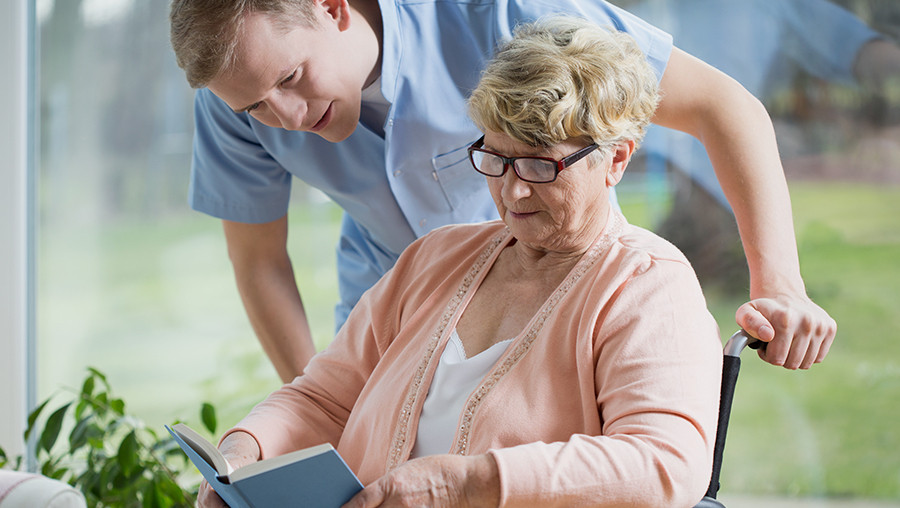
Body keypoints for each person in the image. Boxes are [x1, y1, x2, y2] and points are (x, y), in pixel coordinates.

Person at [197, 17, 722, 508]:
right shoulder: (435, 257)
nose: (513, 190)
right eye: (495, 158)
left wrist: (464, 485)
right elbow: (323, 400)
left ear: (617, 158)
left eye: (540, 164)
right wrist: (246, 451)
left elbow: (663, 465)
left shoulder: (648, 286)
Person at [169, 0, 835, 382]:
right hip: (391, 318)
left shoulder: (505, 12)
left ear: (332, 8)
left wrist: (779, 284)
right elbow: (260, 264)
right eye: (256, 106)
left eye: (291, 78)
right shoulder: (235, 110)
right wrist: (314, 402)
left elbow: (724, 108)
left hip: (564, 295)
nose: (282, 117)